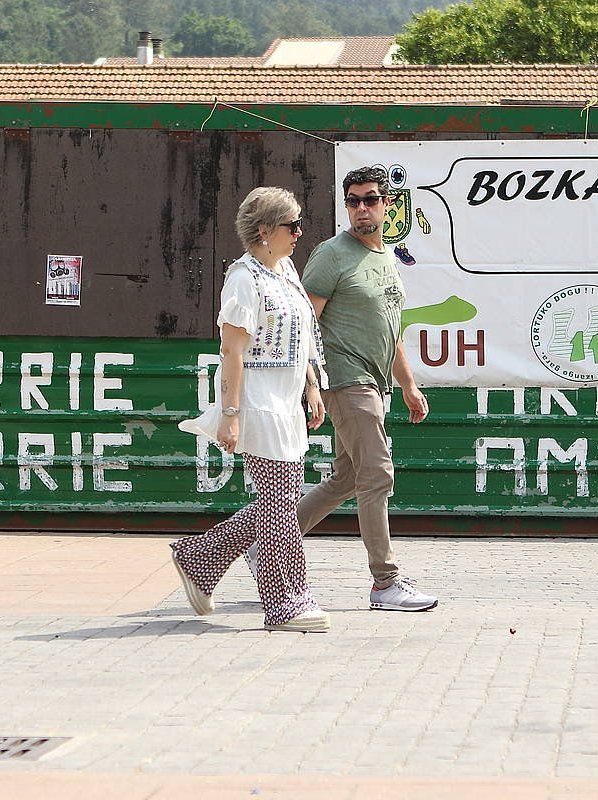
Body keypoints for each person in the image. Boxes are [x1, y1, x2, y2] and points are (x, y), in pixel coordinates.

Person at [170, 187, 331, 633]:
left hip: (287, 400)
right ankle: (285, 603)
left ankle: (199, 557)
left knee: (278, 503)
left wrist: (312, 386)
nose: (299, 233)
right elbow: (232, 352)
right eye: (290, 225)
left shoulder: (286, 272)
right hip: (258, 402)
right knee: (279, 506)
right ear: (264, 231)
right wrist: (232, 413)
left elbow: (303, 338)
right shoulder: (244, 279)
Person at [294, 165, 438, 612]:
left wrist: (409, 386)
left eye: (370, 199)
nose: (361, 208)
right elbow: (302, 324)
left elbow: (389, 330)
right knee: (377, 474)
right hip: (345, 378)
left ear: (387, 204)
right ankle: (385, 583)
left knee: (348, 478)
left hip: (375, 383)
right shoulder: (331, 254)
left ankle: (269, 542)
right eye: (353, 200)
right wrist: (311, 384)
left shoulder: (385, 258)